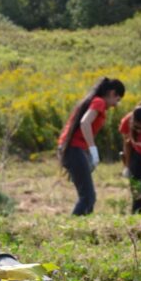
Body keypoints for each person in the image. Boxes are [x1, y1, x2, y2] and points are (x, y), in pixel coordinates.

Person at [57, 77, 126, 215]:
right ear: (112, 93)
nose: (116, 105)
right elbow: (85, 123)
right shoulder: (99, 102)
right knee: (88, 197)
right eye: (117, 99)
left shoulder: (93, 101)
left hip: (73, 149)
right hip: (73, 149)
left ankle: (83, 228)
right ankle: (73, 231)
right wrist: (93, 150)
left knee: (89, 198)